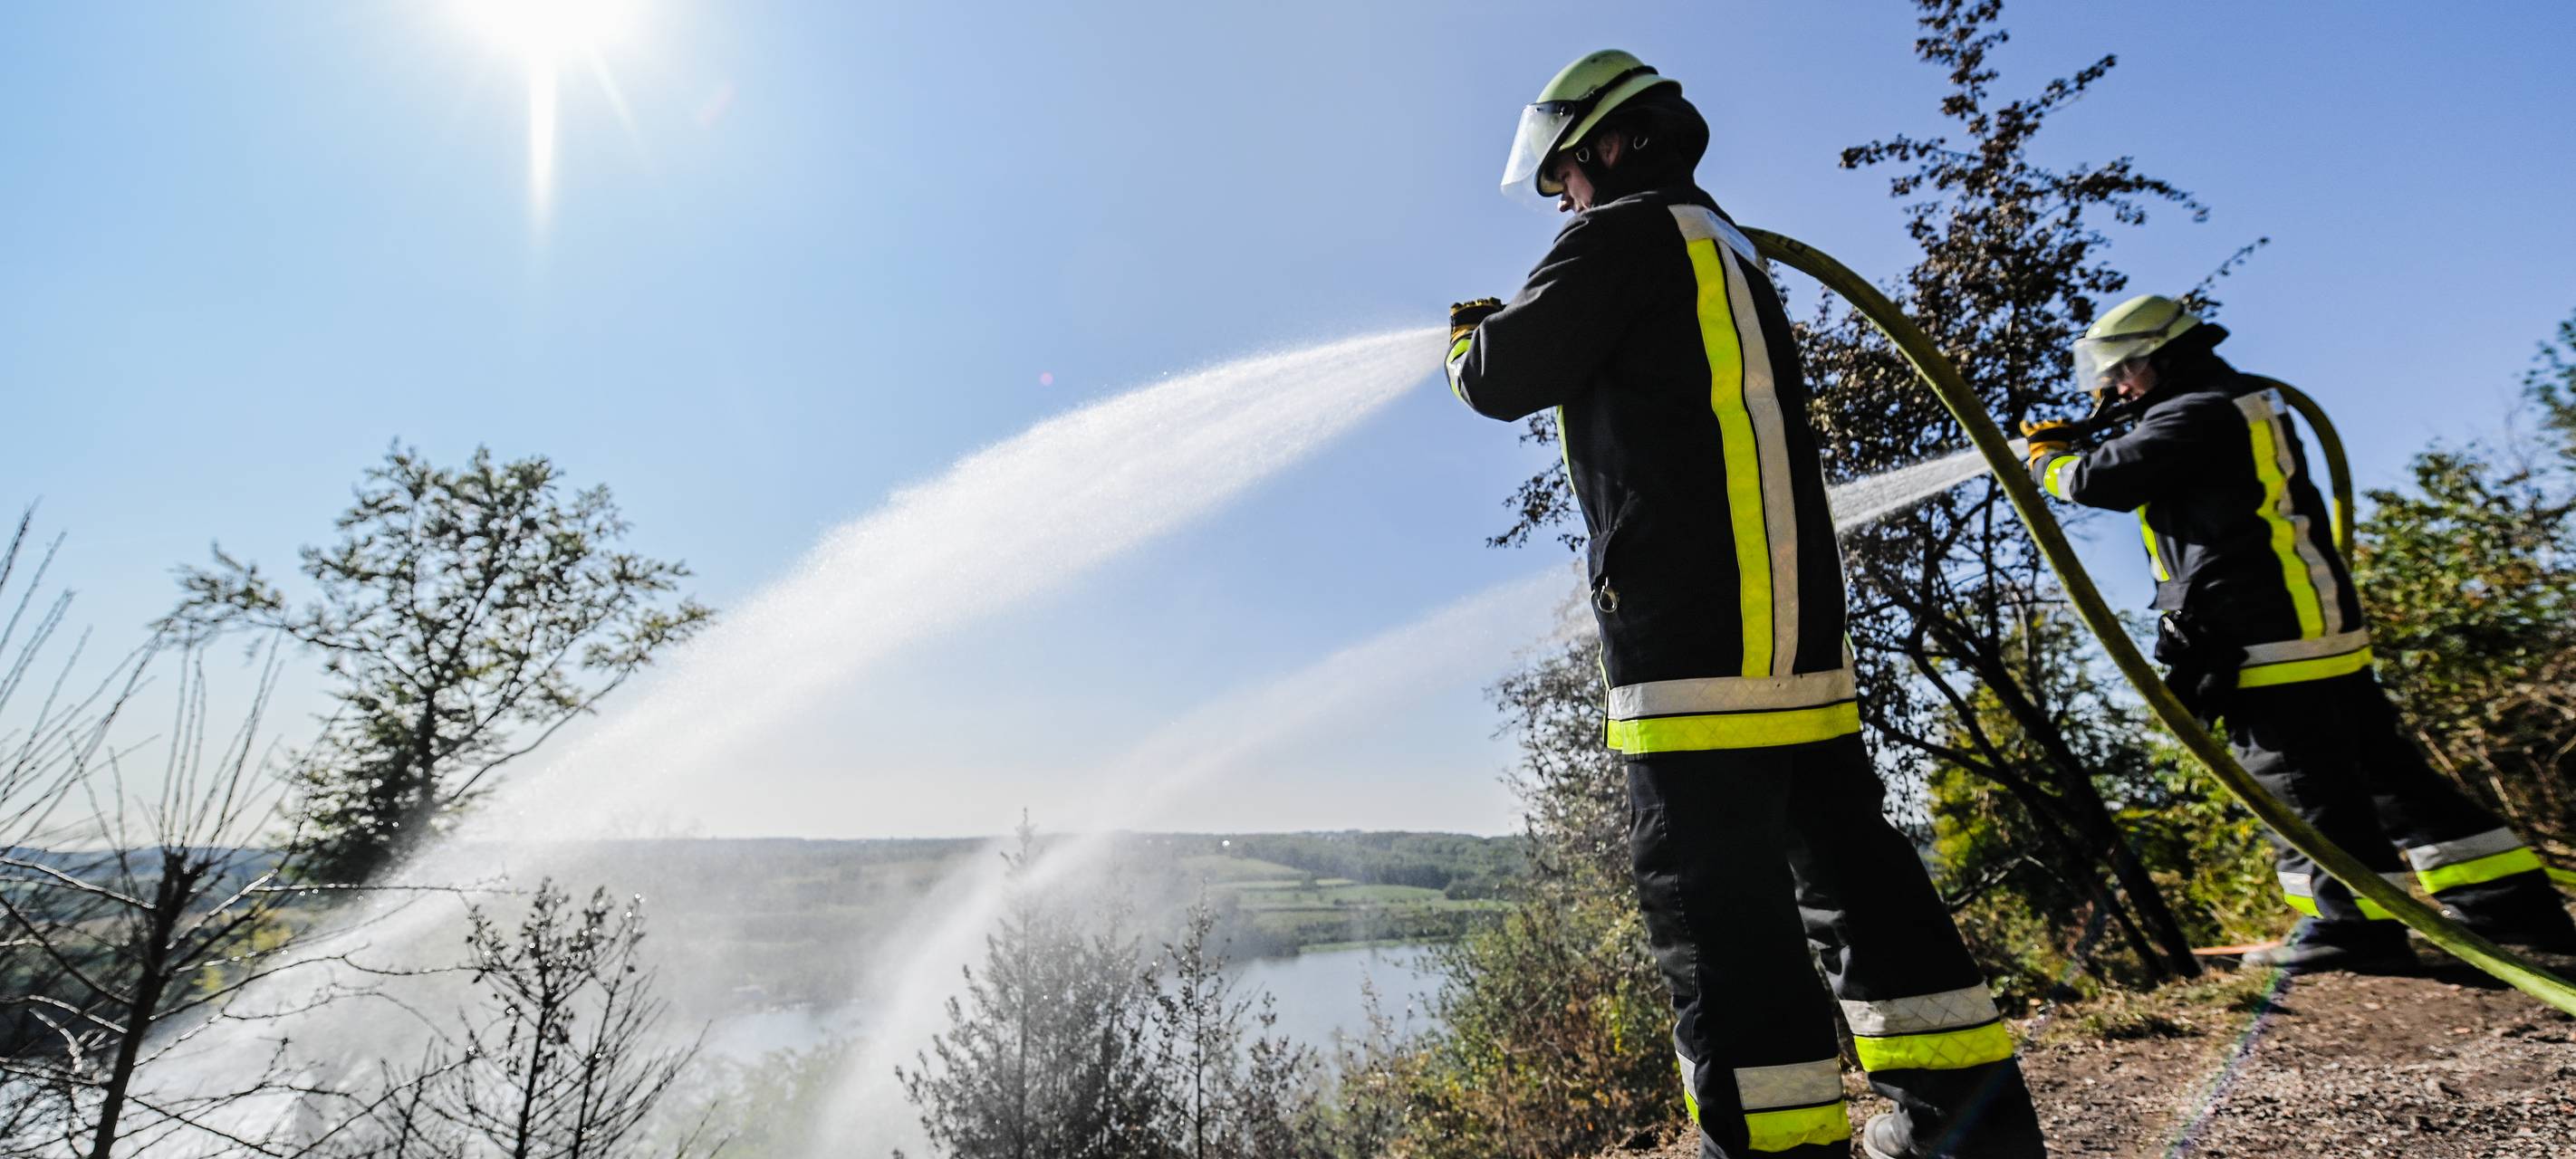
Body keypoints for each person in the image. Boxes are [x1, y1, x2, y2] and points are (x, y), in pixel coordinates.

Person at [1447, 50, 2048, 1159]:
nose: (1561, 197)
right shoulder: (1731, 249)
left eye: (1564, 175)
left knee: (1718, 920)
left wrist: (1461, 341)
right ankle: (1972, 1131)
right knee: (1859, 887)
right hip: (1799, 643)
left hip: (1688, 645)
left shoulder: (1618, 236)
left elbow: (1502, 375)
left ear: (1613, 146)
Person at [2024, 293, 2576, 974]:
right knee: (2389, 778)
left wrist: (2044, 456)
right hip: (2309, 625)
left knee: (2299, 781)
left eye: (2126, 370)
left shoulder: (2198, 411)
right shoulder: (2225, 404)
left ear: (2165, 358)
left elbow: (2095, 482)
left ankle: (2352, 928)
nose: (2116, 386)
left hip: (2264, 632)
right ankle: (2510, 907)